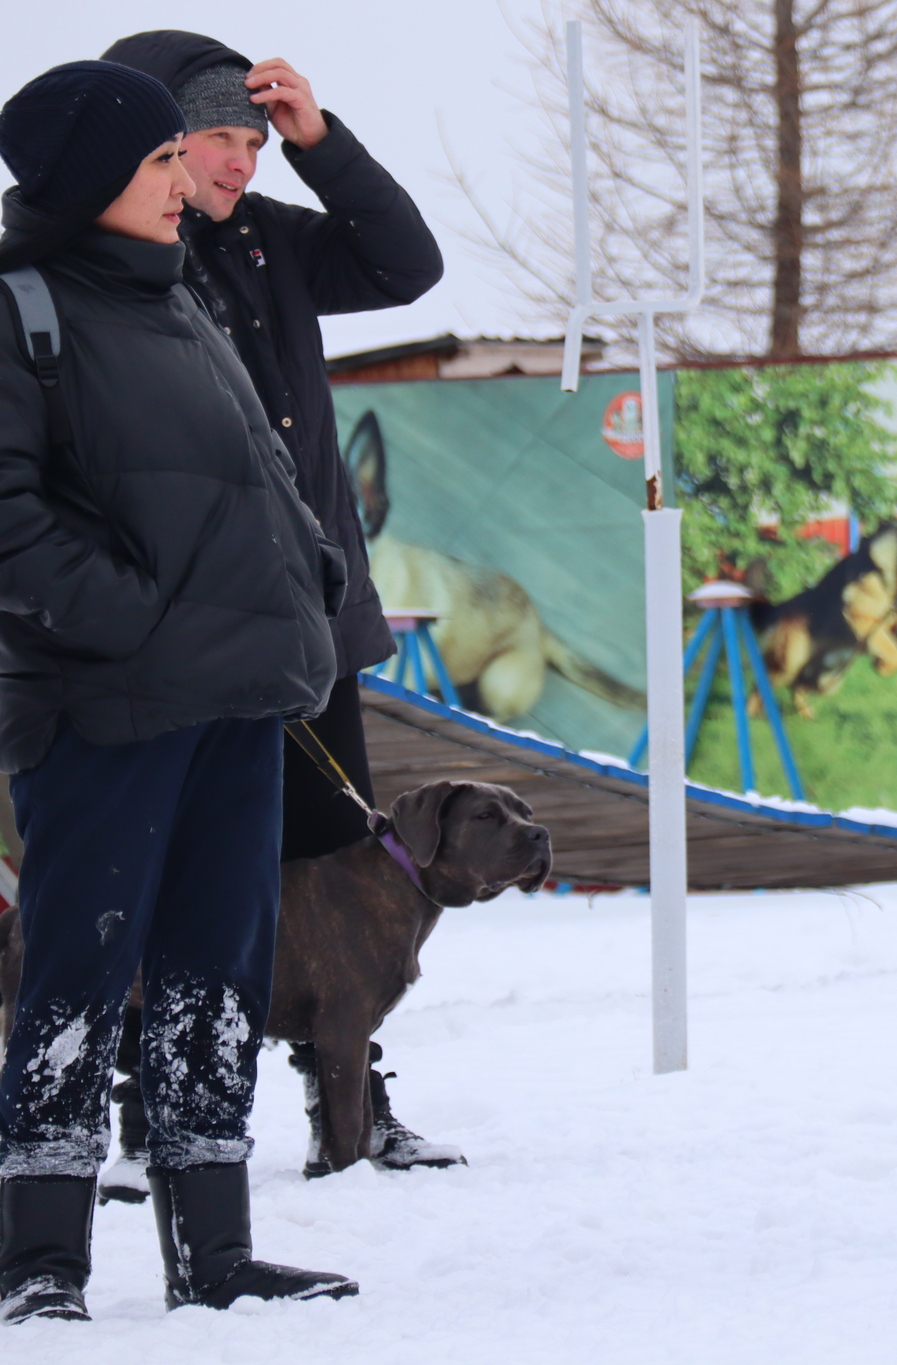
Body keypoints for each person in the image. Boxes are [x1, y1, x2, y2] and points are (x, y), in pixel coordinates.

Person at [0, 61, 356, 1322]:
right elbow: (9, 523)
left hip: (238, 698)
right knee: (78, 975)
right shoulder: (21, 309)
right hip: (108, 706)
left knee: (217, 975)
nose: (182, 184)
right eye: (160, 164)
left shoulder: (177, 300)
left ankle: (217, 1252)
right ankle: (40, 1263)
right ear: (94, 177)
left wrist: (306, 578)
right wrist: (130, 623)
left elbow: (261, 467)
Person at [94, 30, 454, 1182]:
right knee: (168, 865)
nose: (242, 162)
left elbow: (408, 269)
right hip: (178, 632)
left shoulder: (276, 240)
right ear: (157, 138)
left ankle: (350, 1101)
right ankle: (150, 1108)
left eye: (256, 141)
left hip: (307, 624)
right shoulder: (113, 264)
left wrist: (322, 145)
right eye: (221, 139)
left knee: (334, 856)